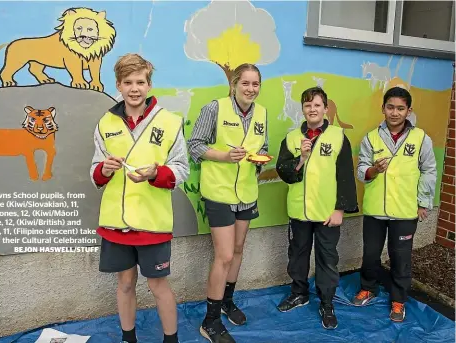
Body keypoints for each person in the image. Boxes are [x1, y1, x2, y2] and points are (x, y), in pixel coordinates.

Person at [90, 53, 189, 343]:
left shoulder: (169, 122)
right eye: (128, 82)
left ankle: (171, 339)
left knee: (158, 285)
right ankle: (128, 337)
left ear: (149, 84)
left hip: (152, 223)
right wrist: (103, 169)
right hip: (115, 223)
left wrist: (155, 173)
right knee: (125, 283)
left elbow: (182, 168)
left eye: (140, 82)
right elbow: (95, 170)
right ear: (118, 85)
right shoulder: (105, 123)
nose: (134, 88)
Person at [187, 63, 269, 343]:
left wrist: (261, 159)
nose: (250, 89)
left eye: (255, 84)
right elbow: (195, 144)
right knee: (223, 256)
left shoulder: (262, 113)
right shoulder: (215, 108)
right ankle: (209, 321)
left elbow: (264, 147)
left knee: (237, 250)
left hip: (246, 193)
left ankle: (226, 301)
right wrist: (224, 157)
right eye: (245, 83)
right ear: (234, 85)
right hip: (219, 193)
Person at [275, 86, 358, 330]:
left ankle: (327, 302)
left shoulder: (338, 136)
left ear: (325, 108)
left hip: (326, 213)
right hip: (299, 212)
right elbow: (284, 172)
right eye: (308, 105)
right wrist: (300, 159)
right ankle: (299, 293)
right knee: (298, 255)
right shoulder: (291, 138)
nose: (312, 109)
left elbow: (345, 175)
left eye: (317, 105)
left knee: (327, 258)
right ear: (302, 109)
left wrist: (339, 210)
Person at [352, 86, 437, 322]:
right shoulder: (371, 137)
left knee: (401, 258)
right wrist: (373, 170)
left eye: (400, 108)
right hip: (375, 211)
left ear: (408, 111)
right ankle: (368, 287)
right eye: (390, 107)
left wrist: (423, 203)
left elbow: (428, 171)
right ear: (383, 109)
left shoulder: (421, 138)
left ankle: (398, 300)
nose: (395, 113)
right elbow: (361, 171)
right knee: (370, 254)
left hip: (405, 211)